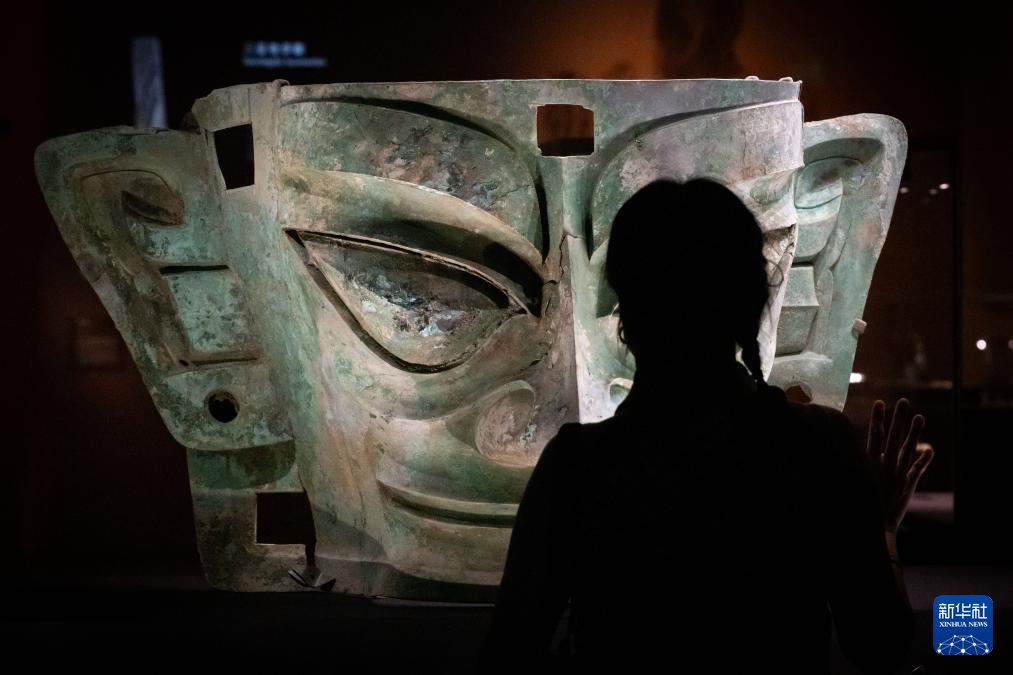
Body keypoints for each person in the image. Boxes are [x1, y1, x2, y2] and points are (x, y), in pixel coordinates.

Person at [476, 179, 933, 674]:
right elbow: (880, 645)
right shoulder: (818, 449)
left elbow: (509, 652)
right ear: (750, 303)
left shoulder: (577, 467)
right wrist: (882, 529)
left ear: (626, 309)